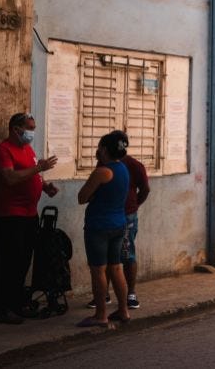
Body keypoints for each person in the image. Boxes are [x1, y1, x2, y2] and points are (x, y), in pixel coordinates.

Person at [0, 113, 59, 324]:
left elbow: (32, 173)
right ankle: (4, 309)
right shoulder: (2, 151)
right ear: (15, 129)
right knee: (11, 262)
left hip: (30, 214)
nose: (32, 132)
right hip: (12, 215)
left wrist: (45, 185)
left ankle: (17, 303)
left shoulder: (27, 149)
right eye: (29, 128)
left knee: (23, 262)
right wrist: (39, 168)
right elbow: (10, 178)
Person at [86, 130, 150, 310]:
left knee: (124, 257)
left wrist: (134, 205)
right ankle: (105, 296)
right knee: (111, 262)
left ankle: (130, 294)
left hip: (122, 217)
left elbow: (145, 189)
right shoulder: (108, 166)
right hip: (114, 218)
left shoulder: (132, 165)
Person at [77, 132, 131, 327]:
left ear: (105, 150)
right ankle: (123, 310)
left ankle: (101, 315)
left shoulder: (102, 172)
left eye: (99, 147)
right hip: (118, 224)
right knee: (116, 268)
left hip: (99, 226)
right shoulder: (123, 169)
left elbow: (82, 197)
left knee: (98, 270)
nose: (97, 150)